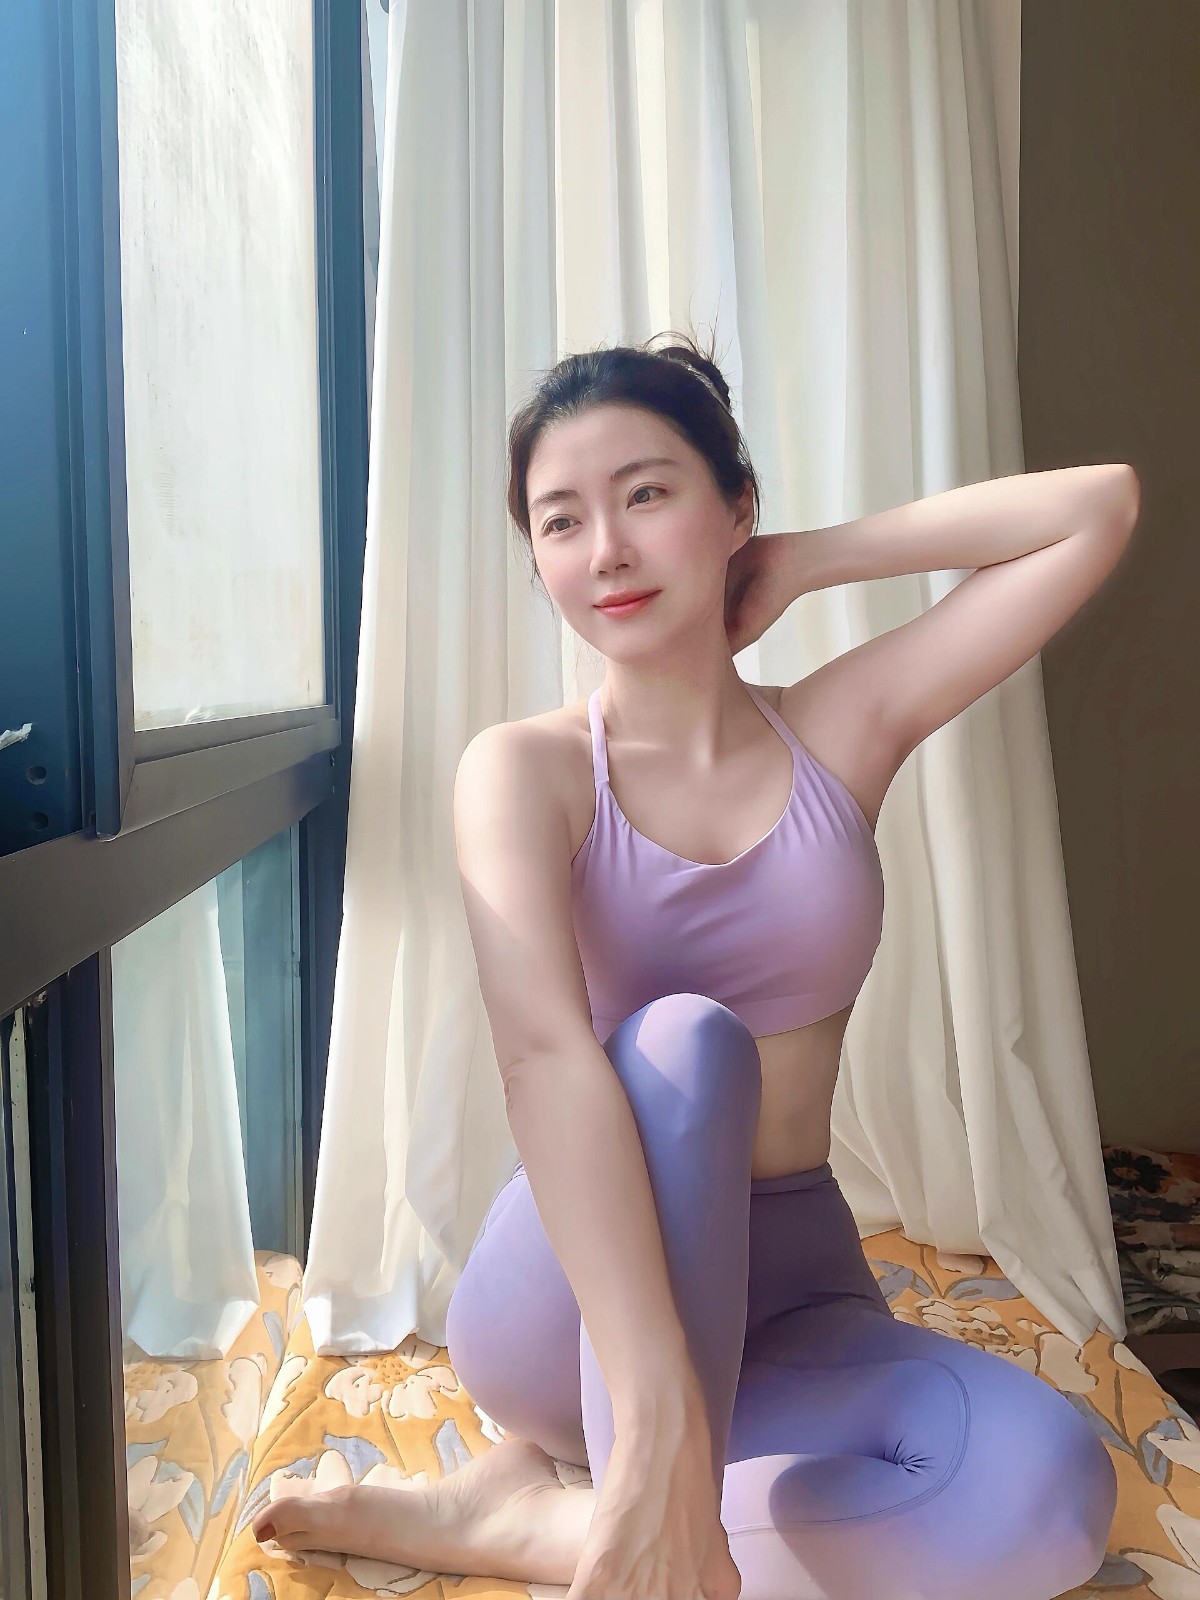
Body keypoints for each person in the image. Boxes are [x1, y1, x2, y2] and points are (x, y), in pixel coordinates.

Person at [254, 332, 1137, 1598]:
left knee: (1049, 1501)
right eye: (561, 520)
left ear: (736, 508)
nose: (605, 548)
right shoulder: (526, 771)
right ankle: (642, 1454)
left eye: (647, 494)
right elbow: (545, 1056)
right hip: (579, 1290)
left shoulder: (837, 729)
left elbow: (1098, 509)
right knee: (686, 1039)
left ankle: (532, 1523)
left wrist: (809, 559)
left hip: (794, 1289)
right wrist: (658, 1392)